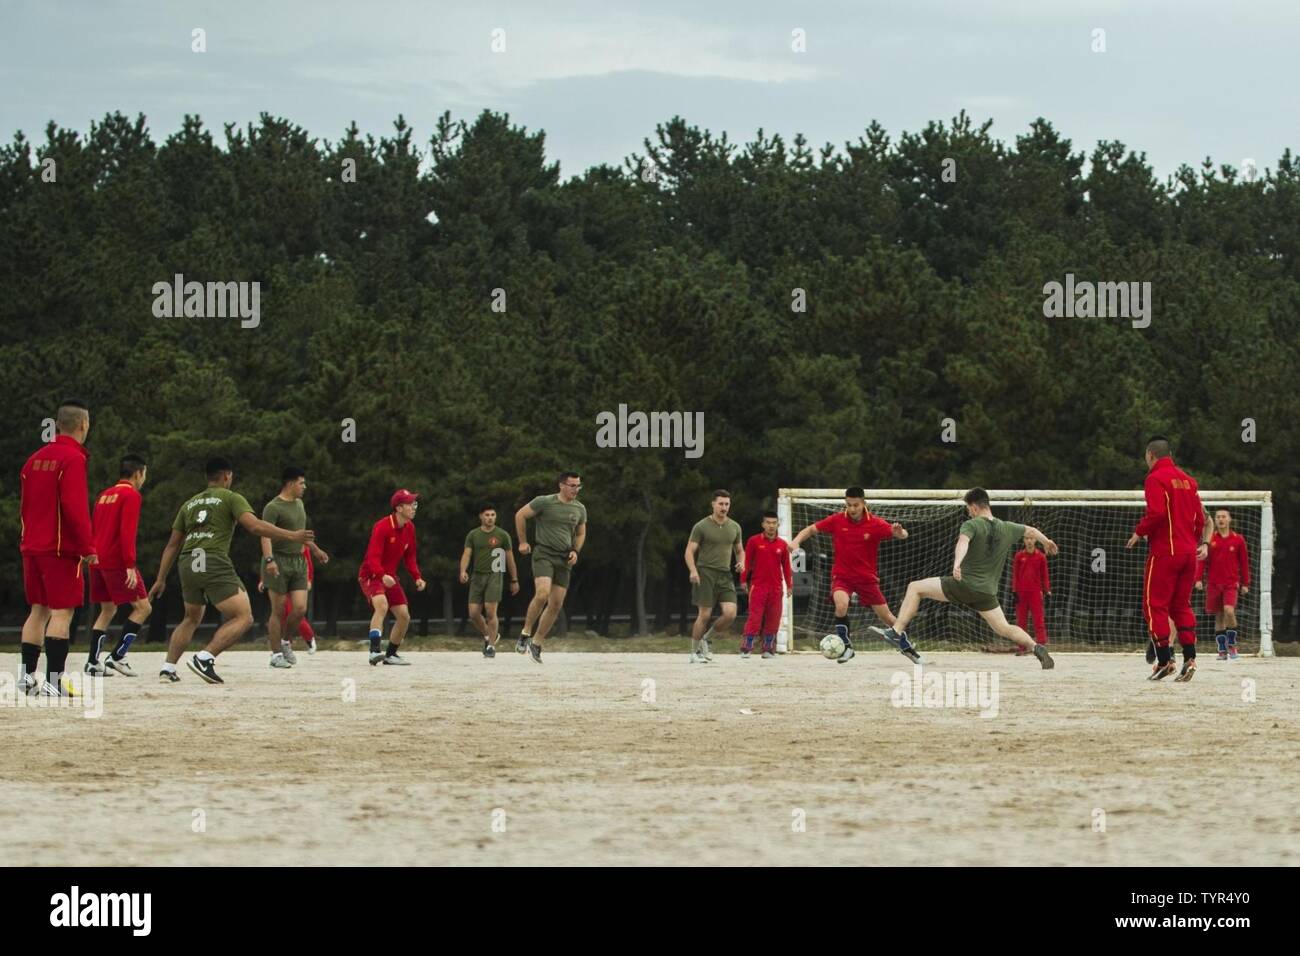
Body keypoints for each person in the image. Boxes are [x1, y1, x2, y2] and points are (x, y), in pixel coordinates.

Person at [150, 457, 314, 684]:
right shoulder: (231, 497)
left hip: (188, 562)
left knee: (191, 617)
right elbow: (255, 526)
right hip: (212, 560)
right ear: (227, 476)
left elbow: (172, 545)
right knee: (244, 617)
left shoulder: (190, 503)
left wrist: (160, 578)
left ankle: (168, 668)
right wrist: (292, 535)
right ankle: (205, 658)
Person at [871, 488, 1057, 669]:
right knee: (1004, 628)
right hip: (986, 593)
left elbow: (963, 542)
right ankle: (1036, 647)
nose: (969, 513)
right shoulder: (1007, 527)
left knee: (915, 587)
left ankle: (896, 631)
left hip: (965, 584)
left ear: (975, 507)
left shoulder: (972, 524)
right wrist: (1046, 541)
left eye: (969, 509)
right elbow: (1031, 531)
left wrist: (956, 564)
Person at [18, 398, 97, 697]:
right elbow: (74, 507)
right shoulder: (72, 459)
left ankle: (27, 678)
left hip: (32, 546)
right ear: (83, 425)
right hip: (61, 549)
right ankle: (54, 681)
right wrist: (87, 546)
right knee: (62, 614)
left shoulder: (33, 459)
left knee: (37, 612)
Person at [790, 486, 908, 663]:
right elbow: (811, 529)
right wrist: (796, 541)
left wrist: (900, 533)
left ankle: (907, 646)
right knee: (841, 604)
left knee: (888, 617)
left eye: (856, 505)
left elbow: (902, 534)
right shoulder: (837, 520)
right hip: (842, 576)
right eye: (848, 505)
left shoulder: (875, 523)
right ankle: (847, 647)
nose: (852, 509)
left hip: (867, 579)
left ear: (863, 504)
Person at [1125, 436, 1209, 682]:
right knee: (1181, 606)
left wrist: (1139, 532)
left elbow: (1158, 512)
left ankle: (1164, 659)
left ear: (1151, 455)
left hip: (1165, 553)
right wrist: (1193, 541)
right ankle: (1190, 658)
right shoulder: (1188, 481)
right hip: (1188, 554)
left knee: (1154, 605)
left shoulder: (1155, 479)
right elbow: (1200, 520)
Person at [87, 455, 152, 677]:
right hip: (117, 561)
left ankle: (93, 662)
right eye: (144, 474)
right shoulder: (131, 495)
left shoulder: (103, 495)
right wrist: (130, 564)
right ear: (138, 473)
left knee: (107, 610)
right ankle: (117, 656)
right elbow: (127, 532)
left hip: (96, 560)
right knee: (143, 608)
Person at [259, 467, 330, 668]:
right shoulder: (272, 507)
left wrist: (315, 549)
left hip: (298, 561)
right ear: (290, 484)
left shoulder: (299, 504)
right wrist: (270, 560)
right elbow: (265, 535)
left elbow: (301, 533)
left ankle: (285, 641)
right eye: (301, 483)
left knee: (299, 609)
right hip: (278, 561)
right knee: (278, 610)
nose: (304, 487)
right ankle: (275, 655)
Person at [515, 472, 587, 664]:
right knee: (542, 594)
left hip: (564, 558)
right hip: (544, 553)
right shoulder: (544, 502)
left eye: (578, 486)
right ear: (562, 485)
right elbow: (520, 515)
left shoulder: (580, 508)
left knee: (556, 604)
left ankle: (537, 643)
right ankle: (525, 632)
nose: (576, 489)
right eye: (572, 485)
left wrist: (575, 550)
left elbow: (580, 533)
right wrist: (522, 542)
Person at [359, 489, 426, 665]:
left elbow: (410, 556)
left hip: (389, 576)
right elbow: (373, 557)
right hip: (372, 574)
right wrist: (381, 576)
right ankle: (374, 652)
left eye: (414, 504)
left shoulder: (409, 527)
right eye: (410, 504)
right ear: (398, 508)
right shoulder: (382, 526)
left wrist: (417, 577)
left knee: (404, 616)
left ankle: (391, 655)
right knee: (381, 606)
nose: (414, 507)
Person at [684, 490, 744, 663]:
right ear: (713, 504)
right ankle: (694, 653)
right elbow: (689, 551)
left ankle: (706, 638)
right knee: (704, 615)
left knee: (730, 613)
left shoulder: (735, 527)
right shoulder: (701, 526)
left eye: (727, 504)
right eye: (721, 504)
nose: (724, 507)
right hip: (705, 573)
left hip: (724, 574)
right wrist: (693, 570)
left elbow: (740, 550)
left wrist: (742, 562)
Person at [459, 506, 520, 658]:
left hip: (495, 575)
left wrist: (514, 579)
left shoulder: (502, 535)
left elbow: (510, 558)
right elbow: (467, 554)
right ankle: (489, 635)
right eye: (487, 515)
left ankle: (491, 646)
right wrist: (463, 570)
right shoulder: (473, 535)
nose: (490, 518)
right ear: (481, 516)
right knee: (473, 613)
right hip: (477, 576)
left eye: (493, 514)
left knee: (490, 610)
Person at [1196, 509, 1251, 661]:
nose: (1221, 519)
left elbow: (1244, 563)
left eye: (1224, 517)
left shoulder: (1238, 539)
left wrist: (1245, 583)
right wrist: (1198, 579)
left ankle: (1232, 645)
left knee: (1229, 610)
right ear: (1215, 520)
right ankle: (1222, 650)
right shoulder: (1210, 539)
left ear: (1229, 519)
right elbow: (1202, 559)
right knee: (1219, 616)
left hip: (1231, 583)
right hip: (1213, 584)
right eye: (1218, 517)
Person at [738, 511, 792, 659]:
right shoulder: (754, 541)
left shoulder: (782, 544)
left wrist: (789, 585)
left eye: (774, 523)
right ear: (763, 524)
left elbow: (786, 566)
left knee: (774, 619)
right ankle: (746, 647)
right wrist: (743, 579)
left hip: (776, 588)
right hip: (758, 586)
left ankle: (768, 649)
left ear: (778, 525)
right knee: (755, 618)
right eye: (768, 523)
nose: (771, 526)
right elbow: (747, 562)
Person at [1011, 530, 1051, 653]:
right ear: (1024, 540)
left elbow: (1045, 575)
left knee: (1038, 619)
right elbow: (1015, 575)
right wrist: (1014, 591)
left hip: (1035, 592)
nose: (1029, 541)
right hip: (1021, 593)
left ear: (1035, 540)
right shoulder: (1018, 556)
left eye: (1031, 538)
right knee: (1021, 621)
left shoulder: (1041, 557)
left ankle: (1041, 645)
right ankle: (1022, 647)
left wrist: (1047, 591)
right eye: (1027, 538)